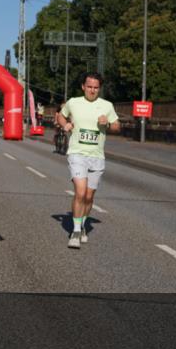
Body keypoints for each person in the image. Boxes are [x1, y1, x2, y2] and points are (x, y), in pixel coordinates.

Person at [54, 73, 120, 249]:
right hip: (77, 153)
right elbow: (61, 116)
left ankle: (82, 224)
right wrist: (64, 124)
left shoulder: (107, 106)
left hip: (97, 156)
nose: (92, 90)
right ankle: (75, 232)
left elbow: (117, 126)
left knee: (89, 197)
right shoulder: (73, 102)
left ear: (99, 88)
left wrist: (107, 123)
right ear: (83, 86)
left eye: (96, 87)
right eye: (89, 86)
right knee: (80, 192)